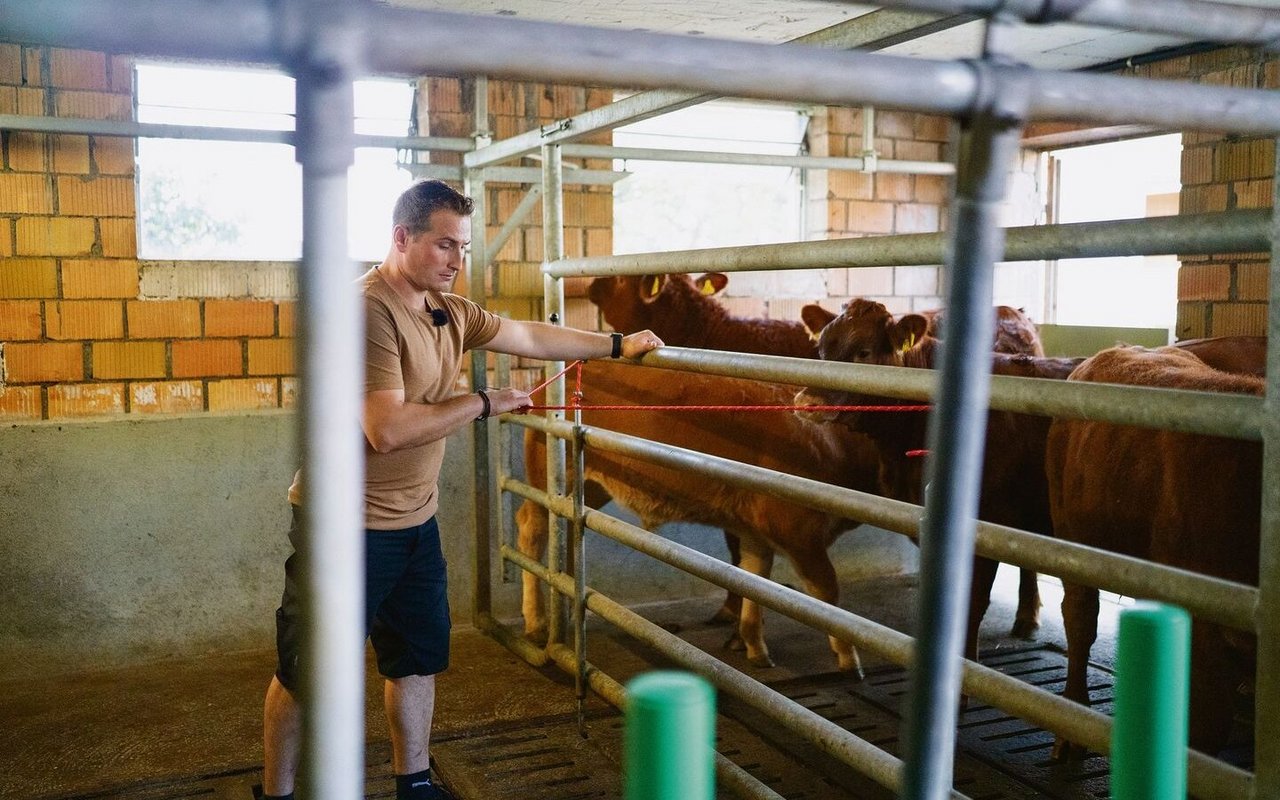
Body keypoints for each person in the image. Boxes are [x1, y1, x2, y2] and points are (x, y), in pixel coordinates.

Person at [261, 179, 664, 800]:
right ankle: (279, 791)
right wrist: (482, 401)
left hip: (414, 522)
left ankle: (414, 782)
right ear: (401, 238)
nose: (457, 260)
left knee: (416, 658)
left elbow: (527, 337)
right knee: (306, 672)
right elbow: (388, 430)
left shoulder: (446, 308)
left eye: (464, 247)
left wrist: (615, 345)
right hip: (342, 527)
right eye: (445, 245)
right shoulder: (367, 312)